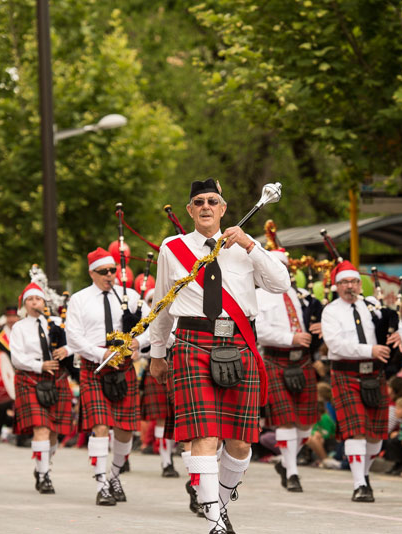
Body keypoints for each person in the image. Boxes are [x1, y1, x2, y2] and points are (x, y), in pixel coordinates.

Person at [149, 179, 290, 534]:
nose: (206, 206)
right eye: (199, 202)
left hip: (240, 343)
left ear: (224, 209)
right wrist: (158, 351)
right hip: (192, 343)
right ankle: (214, 520)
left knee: (241, 441)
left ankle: (220, 504)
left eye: (213, 201)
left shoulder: (244, 247)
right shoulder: (172, 248)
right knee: (205, 435)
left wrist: (252, 244)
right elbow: (162, 305)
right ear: (190, 210)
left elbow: (280, 284)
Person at [66, 247, 149, 506]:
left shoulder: (131, 296)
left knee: (125, 429)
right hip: (95, 368)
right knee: (100, 426)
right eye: (103, 271)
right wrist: (99, 354)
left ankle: (114, 475)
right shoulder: (79, 299)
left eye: (113, 270)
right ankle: (102, 483)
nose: (110, 275)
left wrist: (138, 343)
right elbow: (73, 337)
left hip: (124, 367)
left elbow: (153, 324)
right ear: (91, 272)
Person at [321, 260, 402, 502]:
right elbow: (336, 345)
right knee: (356, 430)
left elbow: (399, 325)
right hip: (346, 374)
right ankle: (359, 484)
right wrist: (370, 350)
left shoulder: (373, 306)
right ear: (337, 286)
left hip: (374, 375)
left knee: (376, 434)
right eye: (345, 282)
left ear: (361, 284)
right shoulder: (331, 311)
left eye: (354, 281)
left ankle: (365, 475)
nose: (350, 286)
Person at [256, 248, 321, 493]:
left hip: (302, 361)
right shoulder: (259, 297)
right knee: (285, 421)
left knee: (305, 425)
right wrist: (290, 337)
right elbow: (259, 331)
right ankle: (293, 472)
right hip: (276, 359)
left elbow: (312, 321)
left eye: (282, 268)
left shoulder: (300, 295)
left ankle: (285, 463)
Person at [10, 282, 73, 494]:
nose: (34, 302)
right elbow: (16, 358)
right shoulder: (19, 327)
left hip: (57, 377)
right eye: (30, 299)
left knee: (54, 432)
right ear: (25, 304)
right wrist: (40, 365)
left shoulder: (57, 322)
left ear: (44, 302)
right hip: (30, 377)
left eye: (37, 299)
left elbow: (76, 341)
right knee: (41, 429)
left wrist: (66, 349)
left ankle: (42, 466)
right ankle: (45, 475)